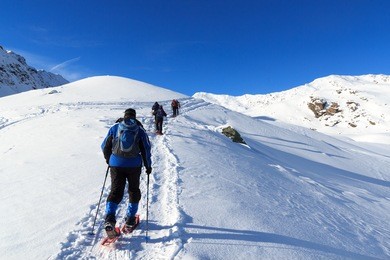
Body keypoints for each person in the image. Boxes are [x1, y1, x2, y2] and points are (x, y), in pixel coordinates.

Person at [101, 108, 152, 237]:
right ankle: (130, 220)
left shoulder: (115, 128)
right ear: (134, 117)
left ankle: (110, 218)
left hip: (116, 164)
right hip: (134, 165)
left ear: (124, 116)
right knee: (134, 190)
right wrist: (148, 166)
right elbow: (146, 149)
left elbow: (104, 146)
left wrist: (109, 160)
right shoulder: (140, 130)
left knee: (115, 191)